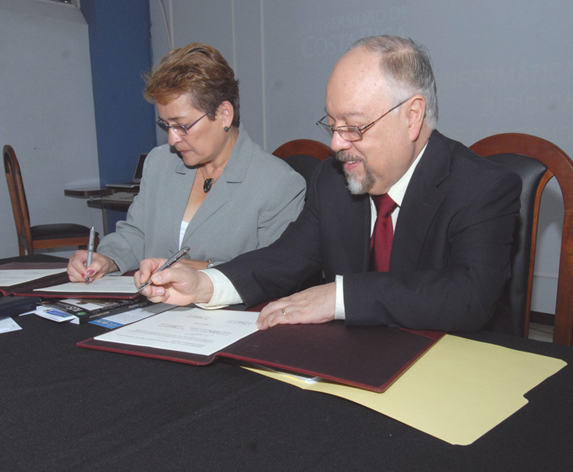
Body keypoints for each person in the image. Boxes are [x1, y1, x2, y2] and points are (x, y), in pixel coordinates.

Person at [136, 35, 522, 334]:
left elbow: (469, 297)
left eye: (354, 127)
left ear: (412, 117)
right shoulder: (332, 180)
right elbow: (284, 260)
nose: (337, 144)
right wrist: (203, 284)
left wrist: (339, 297)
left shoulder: (482, 186)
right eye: (332, 126)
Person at [67, 43, 305, 282]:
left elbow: (275, 273)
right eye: (166, 125)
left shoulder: (278, 184)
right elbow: (137, 233)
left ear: (224, 114)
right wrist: (107, 259)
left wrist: (204, 269)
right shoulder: (160, 163)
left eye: (182, 125)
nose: (172, 139)